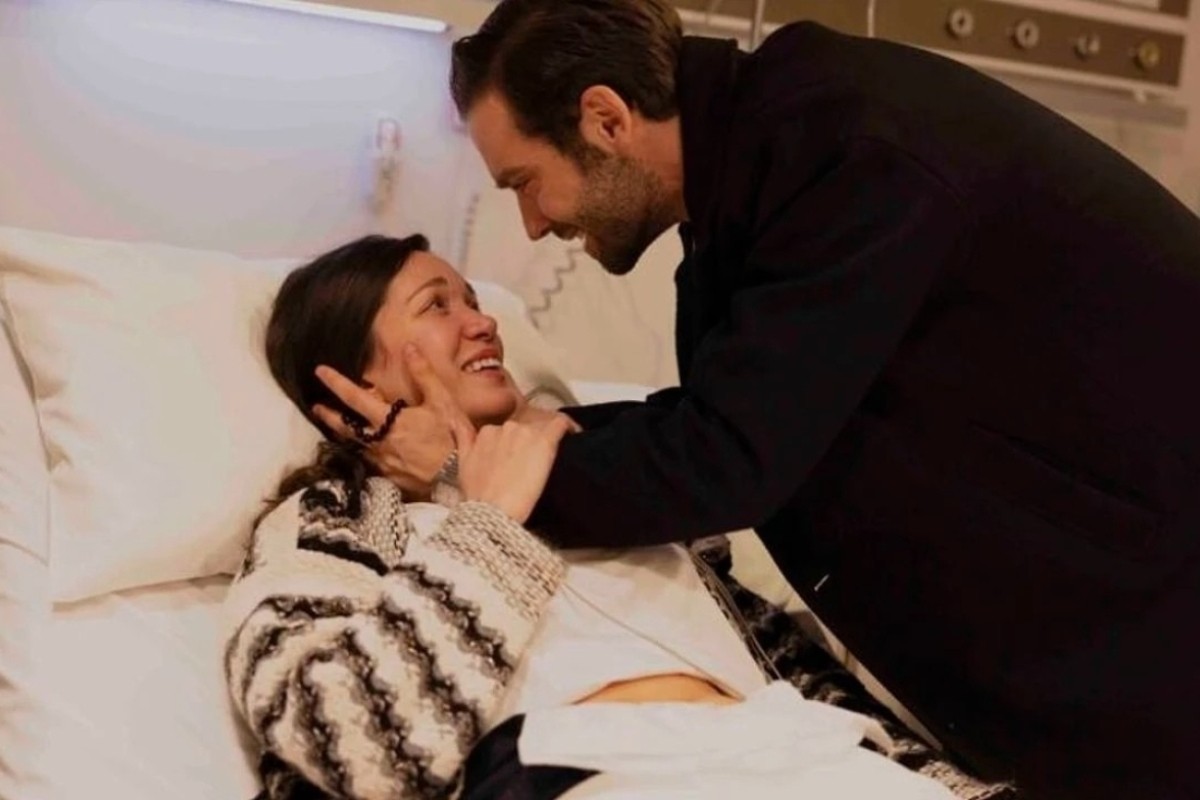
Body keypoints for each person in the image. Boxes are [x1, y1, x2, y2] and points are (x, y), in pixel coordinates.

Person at [313, 3, 1200, 799]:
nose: (534, 224)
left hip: (1153, 586)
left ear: (606, 120)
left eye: (523, 182)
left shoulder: (852, 150)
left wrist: (473, 470)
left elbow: (725, 458)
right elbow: (722, 409)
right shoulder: (761, 169)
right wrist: (531, 441)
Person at [224, 234, 958, 800]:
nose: (483, 323)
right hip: (591, 770)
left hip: (799, 753)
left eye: (473, 300)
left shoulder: (597, 483)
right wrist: (489, 524)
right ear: (352, 381)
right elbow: (350, 745)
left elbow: (795, 667)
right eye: (437, 306)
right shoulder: (333, 523)